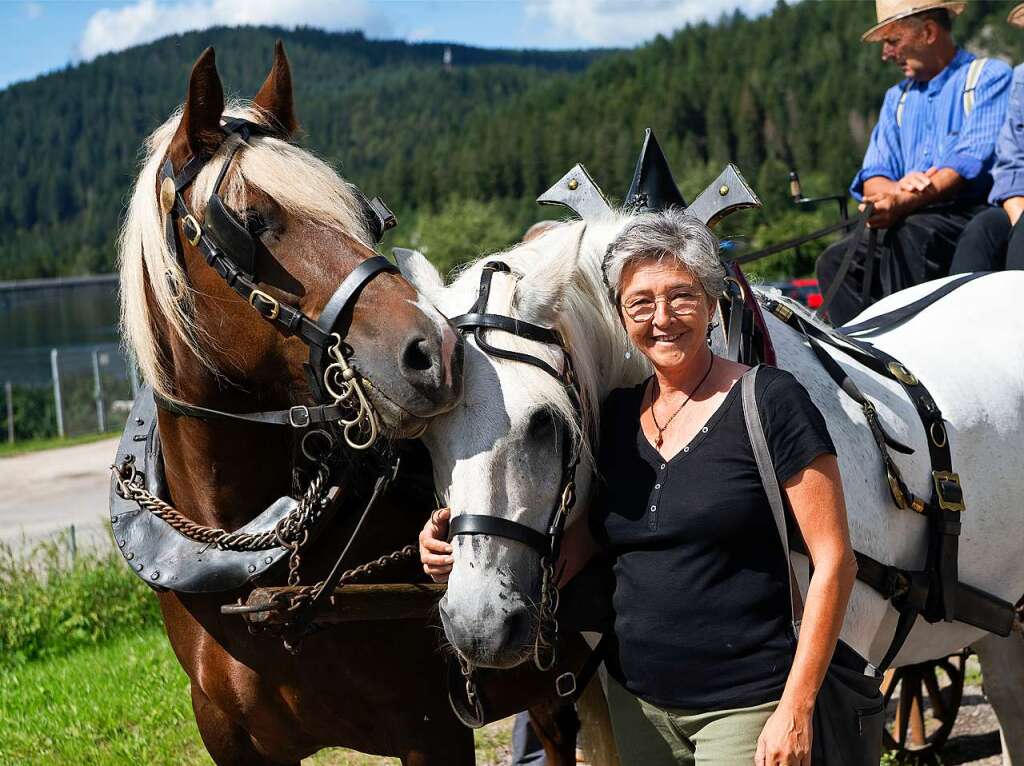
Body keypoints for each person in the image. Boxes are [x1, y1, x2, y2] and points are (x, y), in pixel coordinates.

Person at [422, 210, 861, 765]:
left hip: (747, 706)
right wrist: (453, 547)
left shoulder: (770, 402)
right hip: (640, 707)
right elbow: (571, 544)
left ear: (710, 302)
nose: (662, 318)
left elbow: (834, 561)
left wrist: (796, 709)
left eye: (681, 296)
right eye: (640, 304)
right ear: (622, 317)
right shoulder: (616, 418)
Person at [816, 0, 1010, 326]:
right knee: (834, 262)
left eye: (893, 41)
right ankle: (859, 362)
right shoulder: (898, 98)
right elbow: (874, 174)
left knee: (909, 235)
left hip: (968, 213)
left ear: (929, 31)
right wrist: (893, 192)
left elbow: (969, 161)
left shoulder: (987, 76)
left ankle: (914, 353)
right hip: (908, 212)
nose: (886, 54)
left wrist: (904, 198)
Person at [951, 3, 1024, 273]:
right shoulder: (1022, 79)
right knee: (983, 230)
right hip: (1022, 204)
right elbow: (1012, 163)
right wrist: (1017, 214)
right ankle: (957, 312)